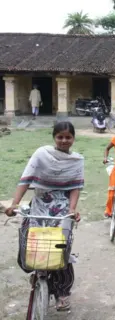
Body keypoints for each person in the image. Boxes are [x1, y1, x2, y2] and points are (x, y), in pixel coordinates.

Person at [5, 121, 84, 311]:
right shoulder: (41, 154)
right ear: (54, 138)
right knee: (29, 241)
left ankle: (62, 293)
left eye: (68, 137)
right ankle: (38, 272)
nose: (64, 140)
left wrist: (72, 209)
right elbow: (26, 179)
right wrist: (15, 203)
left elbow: (75, 187)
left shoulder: (77, 160)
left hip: (62, 210)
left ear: (73, 138)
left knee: (61, 249)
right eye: (60, 137)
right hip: (38, 205)